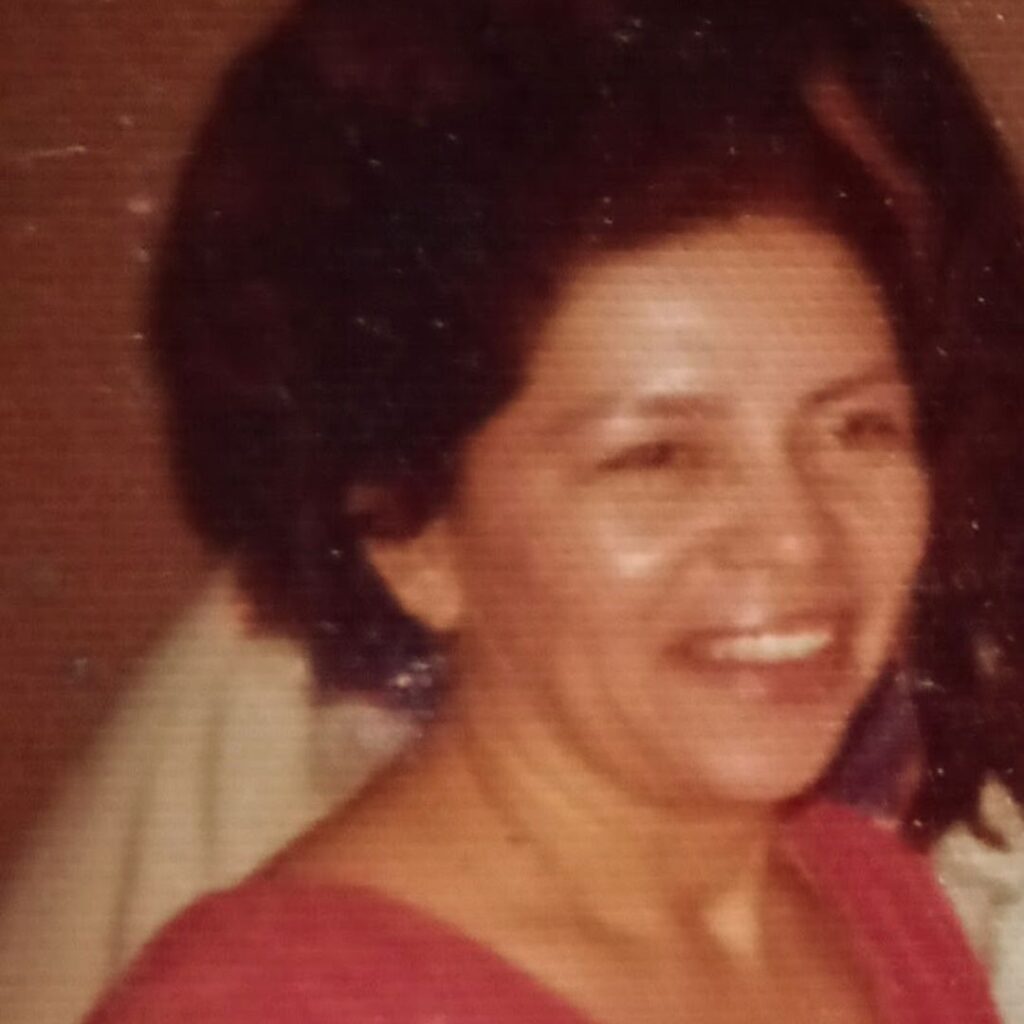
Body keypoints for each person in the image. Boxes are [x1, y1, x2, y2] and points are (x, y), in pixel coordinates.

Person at [77, 0, 1024, 1021]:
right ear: (412, 533)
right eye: (658, 455)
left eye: (855, 429)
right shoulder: (273, 1005)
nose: (799, 535)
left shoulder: (871, 895)